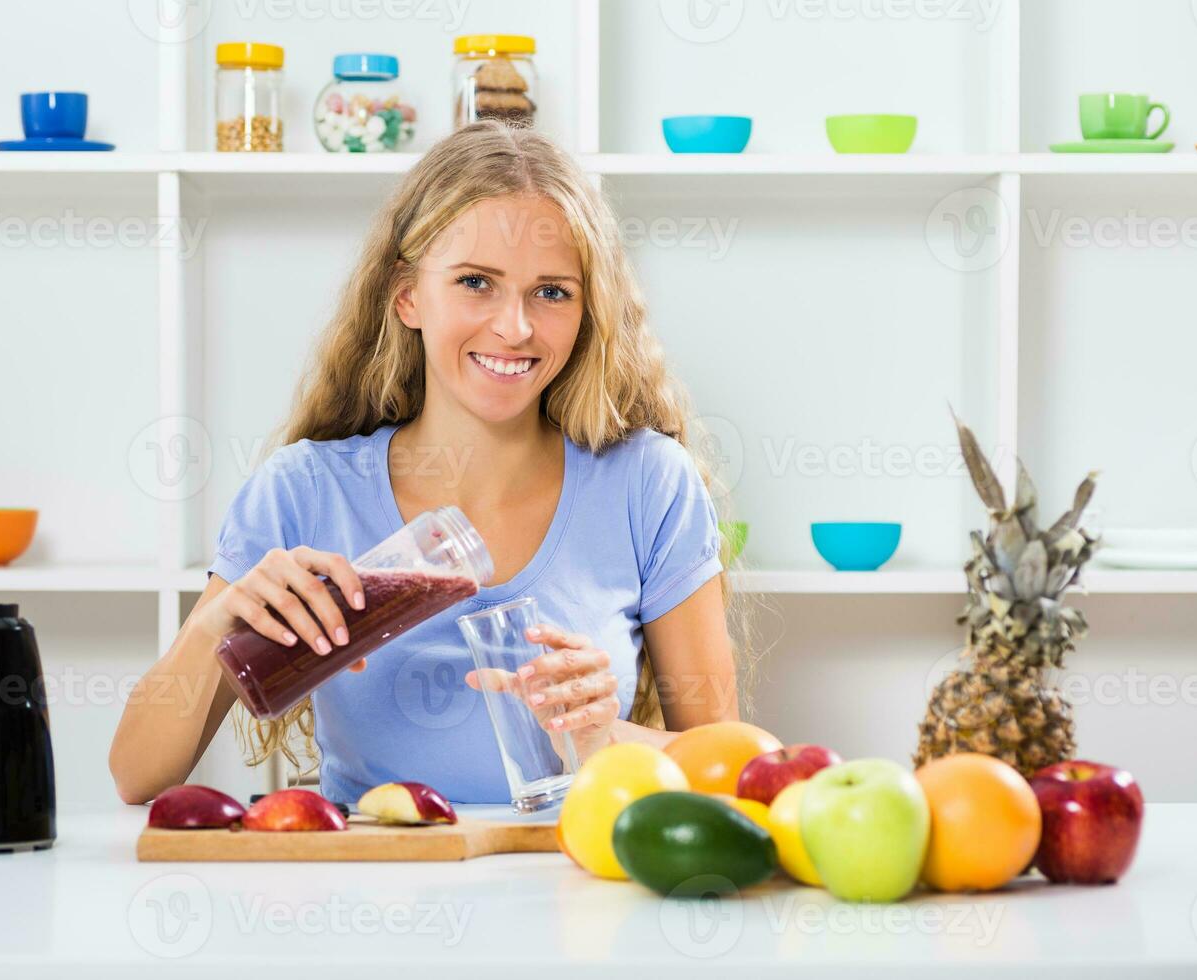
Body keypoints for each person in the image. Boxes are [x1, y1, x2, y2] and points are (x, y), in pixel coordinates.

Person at [110, 121, 751, 806]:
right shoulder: (306, 492)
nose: (516, 327)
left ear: (587, 310)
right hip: (372, 898)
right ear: (407, 295)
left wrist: (606, 736)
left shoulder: (646, 484)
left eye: (552, 292)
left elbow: (727, 771)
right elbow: (138, 773)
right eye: (477, 282)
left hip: (573, 886)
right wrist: (218, 622)